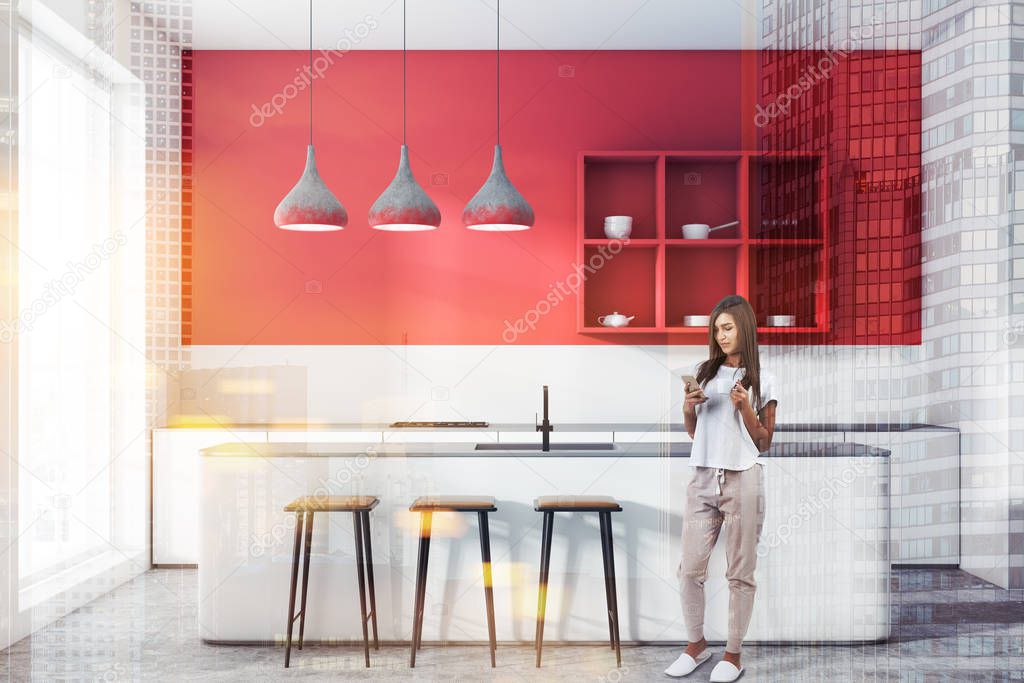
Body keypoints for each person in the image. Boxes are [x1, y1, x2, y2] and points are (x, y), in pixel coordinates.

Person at [664, 295, 778, 682]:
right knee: (689, 569)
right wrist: (686, 406)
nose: (721, 335)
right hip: (702, 479)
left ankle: (732, 654)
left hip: (743, 479)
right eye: (716, 329)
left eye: (727, 327)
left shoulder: (764, 379)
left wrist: (744, 406)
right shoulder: (706, 371)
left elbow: (764, 442)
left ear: (744, 327)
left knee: (739, 573)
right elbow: (697, 432)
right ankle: (695, 646)